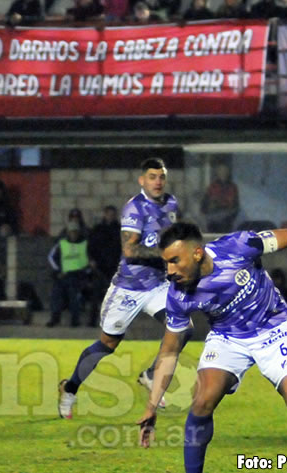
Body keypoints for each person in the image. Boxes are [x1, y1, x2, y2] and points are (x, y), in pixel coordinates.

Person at [136, 223, 287, 473]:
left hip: (274, 329)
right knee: (201, 403)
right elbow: (169, 350)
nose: (170, 271)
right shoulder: (178, 295)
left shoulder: (237, 247)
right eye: (166, 263)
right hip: (227, 338)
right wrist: (151, 407)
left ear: (197, 253)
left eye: (174, 261)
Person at [58, 158, 187, 419]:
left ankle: (151, 375)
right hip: (128, 287)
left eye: (161, 176)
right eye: (152, 176)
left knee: (181, 327)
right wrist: (165, 253)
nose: (158, 181)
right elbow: (130, 250)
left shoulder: (171, 204)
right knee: (107, 344)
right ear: (142, 180)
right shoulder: (134, 208)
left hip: (158, 285)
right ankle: (70, 388)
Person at [47, 220, 89, 327]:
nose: (73, 234)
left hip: (78, 275)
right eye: (71, 232)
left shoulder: (85, 244)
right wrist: (58, 271)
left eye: (75, 232)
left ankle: (75, 320)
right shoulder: (62, 244)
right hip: (63, 275)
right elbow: (51, 257)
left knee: (74, 295)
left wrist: (86, 272)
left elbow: (90, 260)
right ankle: (55, 318)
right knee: (56, 294)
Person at [87, 205, 121, 327]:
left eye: (112, 214)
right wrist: (91, 260)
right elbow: (90, 246)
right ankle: (92, 320)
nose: (110, 216)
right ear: (104, 214)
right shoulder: (98, 229)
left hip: (114, 268)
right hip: (99, 268)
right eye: (108, 214)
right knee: (95, 296)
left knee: (114, 298)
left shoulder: (119, 230)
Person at [201, 163, 240, 233]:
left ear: (228, 172)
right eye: (221, 170)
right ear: (217, 172)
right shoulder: (212, 187)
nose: (223, 173)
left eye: (225, 171)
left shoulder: (232, 187)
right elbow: (204, 206)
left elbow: (235, 207)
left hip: (227, 222)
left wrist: (227, 215)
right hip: (213, 222)